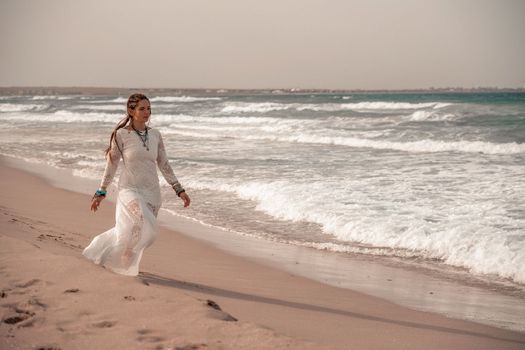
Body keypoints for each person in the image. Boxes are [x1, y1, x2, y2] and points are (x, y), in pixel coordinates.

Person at [83, 93, 190, 276]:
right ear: (131, 111)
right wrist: (101, 192)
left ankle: (114, 250)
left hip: (152, 192)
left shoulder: (156, 135)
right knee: (142, 222)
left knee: (141, 231)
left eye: (149, 108)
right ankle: (128, 254)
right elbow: (112, 164)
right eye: (142, 108)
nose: (147, 112)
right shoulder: (121, 135)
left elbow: (164, 164)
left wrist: (178, 189)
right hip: (129, 189)